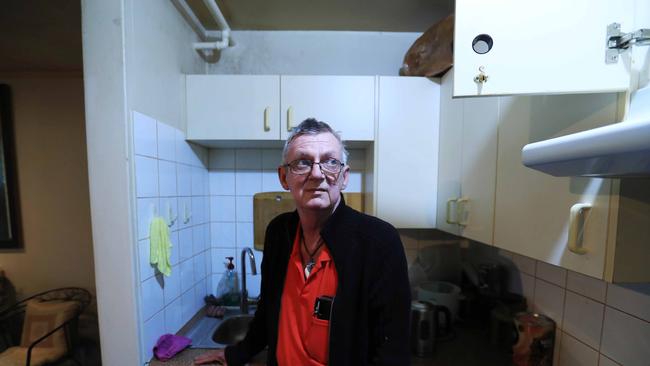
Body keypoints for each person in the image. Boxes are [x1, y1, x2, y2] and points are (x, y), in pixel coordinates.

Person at [195, 118, 411, 366]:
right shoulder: (278, 232)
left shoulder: (379, 242)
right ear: (284, 177)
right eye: (302, 163)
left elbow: (392, 351)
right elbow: (267, 313)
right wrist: (236, 353)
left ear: (344, 177)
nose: (317, 174)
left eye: (330, 162)